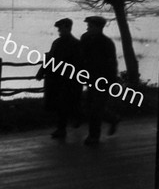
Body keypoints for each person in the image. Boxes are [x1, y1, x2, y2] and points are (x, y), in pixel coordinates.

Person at [36, 18, 83, 139]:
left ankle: (64, 127)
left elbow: (78, 64)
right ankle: (64, 126)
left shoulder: (76, 44)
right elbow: (49, 58)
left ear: (68, 28)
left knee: (65, 104)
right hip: (56, 79)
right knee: (60, 105)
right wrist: (41, 72)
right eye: (59, 29)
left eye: (61, 28)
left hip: (67, 80)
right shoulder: (57, 42)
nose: (59, 31)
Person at [80, 16, 120, 146]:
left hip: (103, 80)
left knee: (95, 108)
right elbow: (81, 57)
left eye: (90, 26)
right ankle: (113, 119)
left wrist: (113, 83)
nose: (87, 28)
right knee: (92, 106)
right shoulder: (85, 39)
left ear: (98, 28)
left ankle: (94, 136)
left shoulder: (107, 43)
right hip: (90, 79)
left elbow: (112, 64)